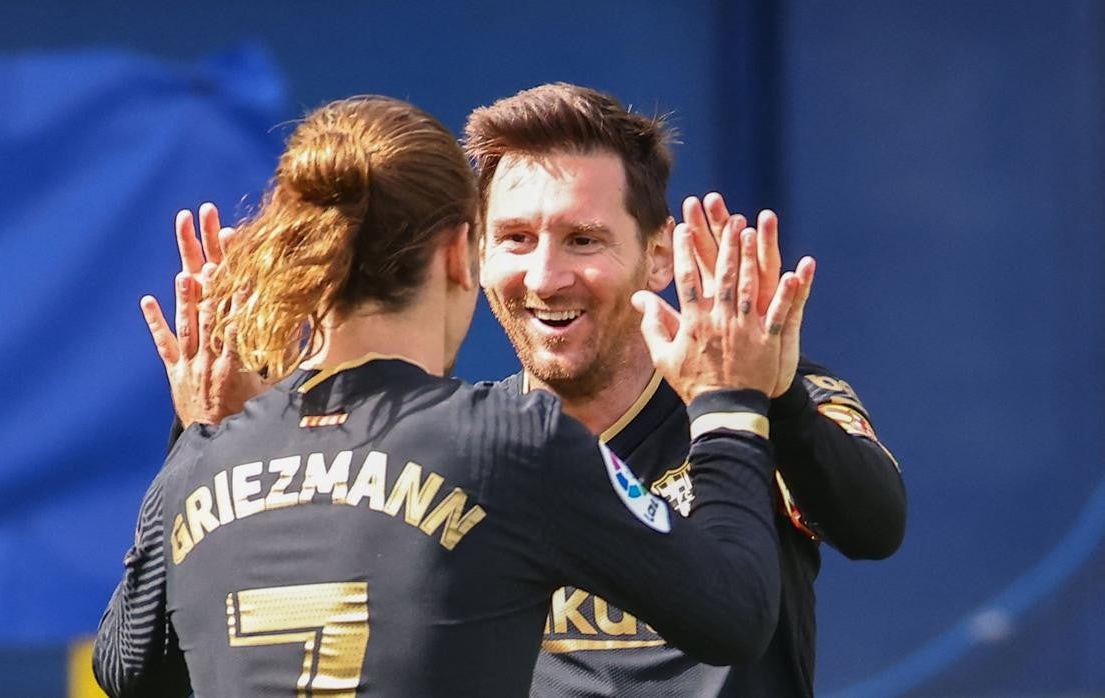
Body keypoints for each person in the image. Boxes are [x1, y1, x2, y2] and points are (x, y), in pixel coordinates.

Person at [94, 94, 814, 696]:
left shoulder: (202, 460)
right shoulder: (507, 439)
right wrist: (727, 401)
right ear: (457, 255)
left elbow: (125, 670)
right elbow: (738, 614)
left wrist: (204, 433)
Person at [463, 83, 906, 697]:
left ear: (659, 256)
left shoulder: (764, 391)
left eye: (583, 239)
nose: (545, 276)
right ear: (477, 254)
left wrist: (767, 399)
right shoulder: (463, 441)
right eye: (516, 238)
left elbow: (874, 526)